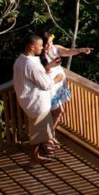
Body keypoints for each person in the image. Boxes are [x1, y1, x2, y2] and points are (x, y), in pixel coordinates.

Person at [13, 34, 63, 166]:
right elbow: (46, 84)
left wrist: (48, 67)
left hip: (28, 101)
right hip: (37, 104)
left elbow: (36, 78)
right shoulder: (31, 65)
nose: (41, 48)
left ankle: (38, 153)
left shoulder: (20, 60)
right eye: (39, 45)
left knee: (37, 130)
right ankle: (34, 157)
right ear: (31, 46)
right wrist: (57, 79)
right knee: (37, 133)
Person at [39, 31, 93, 139]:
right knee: (56, 113)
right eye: (47, 43)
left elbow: (67, 51)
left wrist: (80, 50)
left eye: (51, 41)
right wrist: (50, 66)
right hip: (49, 88)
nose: (50, 45)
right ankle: (47, 138)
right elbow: (39, 73)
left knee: (56, 113)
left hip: (58, 87)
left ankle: (49, 136)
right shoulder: (39, 56)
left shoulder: (54, 48)